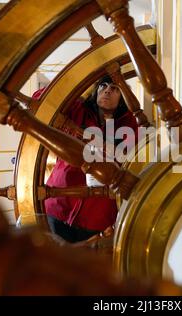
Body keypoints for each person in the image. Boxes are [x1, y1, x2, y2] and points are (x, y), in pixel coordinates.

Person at [34, 76, 138, 243]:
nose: (107, 90)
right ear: (95, 90)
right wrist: (74, 85)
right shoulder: (76, 109)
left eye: (115, 88)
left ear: (122, 99)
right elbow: (39, 100)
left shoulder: (129, 125)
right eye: (103, 85)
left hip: (97, 218)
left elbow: (135, 162)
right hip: (58, 206)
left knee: (84, 267)